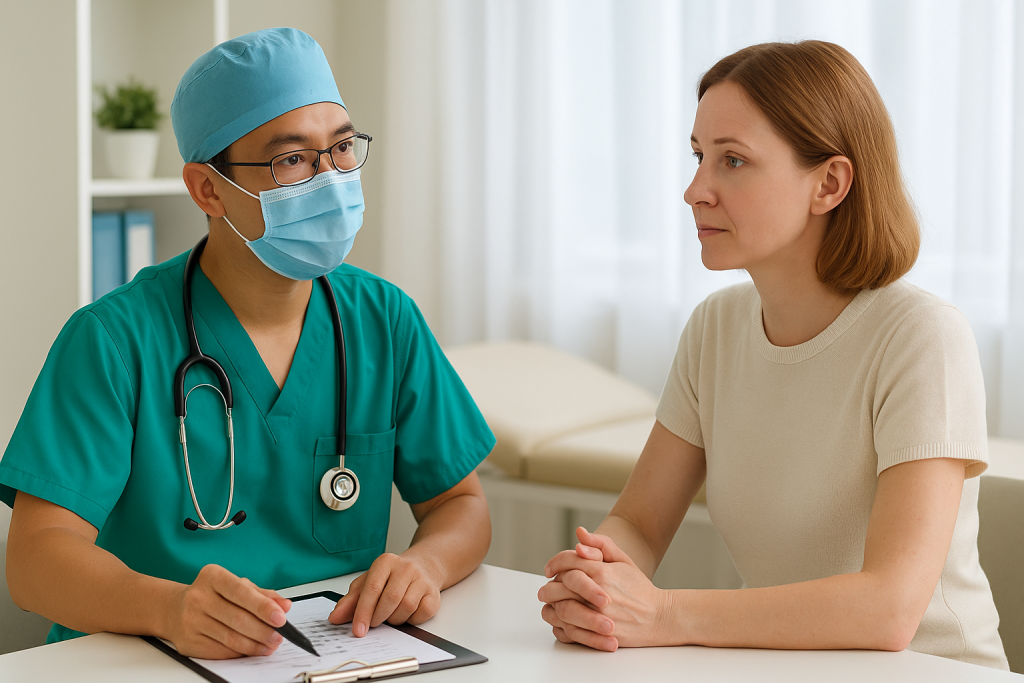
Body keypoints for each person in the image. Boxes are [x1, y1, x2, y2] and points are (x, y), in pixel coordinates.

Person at [2, 28, 495, 660]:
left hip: (331, 657)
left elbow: (461, 504)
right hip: (142, 658)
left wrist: (424, 565)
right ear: (208, 189)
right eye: (292, 159)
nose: (329, 178)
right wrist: (170, 608)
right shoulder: (114, 340)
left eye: (342, 148)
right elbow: (36, 560)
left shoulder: (382, 319)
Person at [537, 40, 1009, 670]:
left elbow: (889, 607)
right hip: (778, 664)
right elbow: (641, 524)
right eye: (699, 156)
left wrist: (665, 614)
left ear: (830, 183)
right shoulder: (715, 329)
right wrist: (598, 576)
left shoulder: (922, 337)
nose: (695, 191)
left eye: (732, 161)